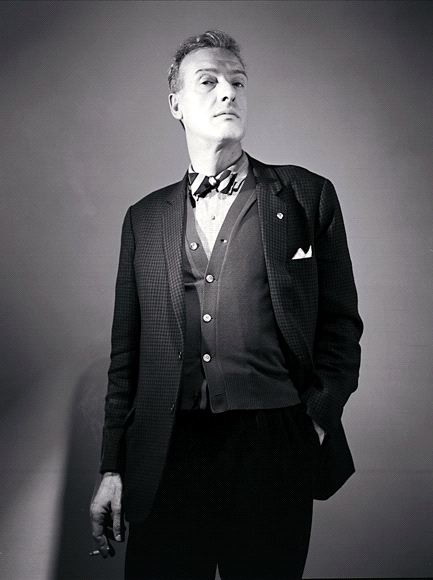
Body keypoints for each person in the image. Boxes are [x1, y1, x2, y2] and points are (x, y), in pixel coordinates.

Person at [90, 30, 363, 580]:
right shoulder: (144, 219)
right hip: (167, 451)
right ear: (175, 104)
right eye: (208, 81)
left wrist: (314, 419)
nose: (228, 92)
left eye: (237, 82)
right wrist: (112, 466)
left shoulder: (306, 195)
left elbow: (341, 325)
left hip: (274, 446)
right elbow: (127, 355)